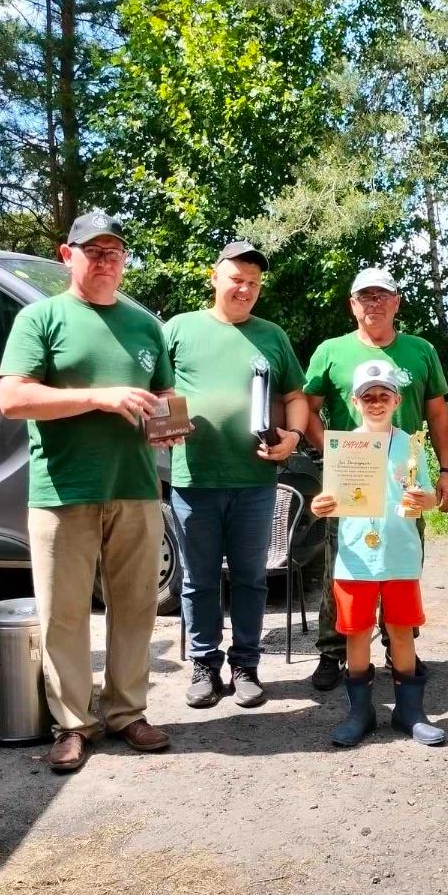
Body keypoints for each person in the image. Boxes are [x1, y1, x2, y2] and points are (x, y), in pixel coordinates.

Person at [0, 211, 178, 773]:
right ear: (67, 254)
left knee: (137, 608)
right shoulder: (40, 318)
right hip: (62, 489)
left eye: (114, 252)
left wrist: (170, 425)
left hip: (135, 487)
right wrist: (99, 398)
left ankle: (127, 713)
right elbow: (13, 399)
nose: (105, 261)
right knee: (64, 614)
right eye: (93, 251)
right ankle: (73, 724)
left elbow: (164, 397)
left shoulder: (145, 325)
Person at [163, 241, 309, 709]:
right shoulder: (180, 328)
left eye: (253, 283)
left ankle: (246, 665)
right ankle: (204, 666)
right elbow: (154, 389)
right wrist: (160, 427)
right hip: (194, 479)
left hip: (255, 480)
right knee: (198, 580)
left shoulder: (272, 335)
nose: (245, 289)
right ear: (214, 278)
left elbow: (296, 395)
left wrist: (293, 436)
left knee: (251, 579)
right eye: (236, 279)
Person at [304, 266, 448, 691]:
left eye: (382, 295)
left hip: (405, 477)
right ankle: (333, 651)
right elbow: (307, 407)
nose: (374, 303)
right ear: (352, 304)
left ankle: (399, 643)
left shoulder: (420, 350)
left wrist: (447, 471)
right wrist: (333, 452)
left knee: (403, 559)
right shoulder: (331, 350)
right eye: (365, 296)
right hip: (352, 478)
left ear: (396, 302)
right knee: (343, 563)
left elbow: (438, 414)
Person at [311, 361, 444, 747]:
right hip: (355, 558)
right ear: (354, 402)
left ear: (397, 400)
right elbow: (329, 499)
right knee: (356, 634)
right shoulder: (342, 446)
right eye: (367, 396)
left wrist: (427, 500)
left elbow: (428, 496)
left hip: (400, 554)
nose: (375, 402)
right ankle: (360, 713)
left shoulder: (412, 445)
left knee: (401, 631)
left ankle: (409, 712)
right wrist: (319, 506)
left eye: (384, 395)